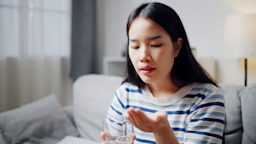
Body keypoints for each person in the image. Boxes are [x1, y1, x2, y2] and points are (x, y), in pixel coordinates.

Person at [100, 2, 225, 144]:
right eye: (135, 46)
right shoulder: (125, 94)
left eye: (155, 45)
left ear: (176, 47)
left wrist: (161, 130)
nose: (143, 56)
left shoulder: (205, 98)